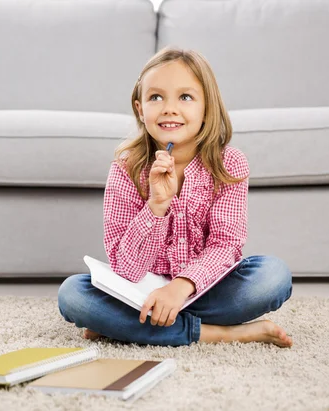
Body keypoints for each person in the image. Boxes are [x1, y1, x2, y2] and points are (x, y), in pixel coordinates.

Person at [57, 47, 293, 348]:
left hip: (206, 289)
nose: (169, 108)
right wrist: (156, 206)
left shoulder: (229, 164)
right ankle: (221, 334)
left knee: (273, 275)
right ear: (140, 109)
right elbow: (125, 267)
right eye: (156, 97)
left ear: (207, 108)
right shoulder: (126, 169)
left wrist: (181, 287)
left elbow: (225, 246)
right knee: (73, 295)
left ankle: (125, 326)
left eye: (185, 97)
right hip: (141, 293)